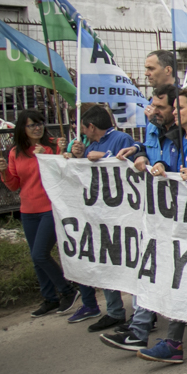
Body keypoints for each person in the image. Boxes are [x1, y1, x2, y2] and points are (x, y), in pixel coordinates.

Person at [134, 88, 187, 365]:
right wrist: (160, 164)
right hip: (181, 222)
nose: (174, 112)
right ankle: (173, 342)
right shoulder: (173, 139)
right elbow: (168, 166)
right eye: (173, 108)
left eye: (180, 107)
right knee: (180, 275)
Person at [101, 85, 181, 352]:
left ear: (175, 109)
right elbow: (149, 151)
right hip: (157, 215)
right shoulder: (153, 128)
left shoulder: (185, 135)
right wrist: (141, 153)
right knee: (151, 269)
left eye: (160, 107)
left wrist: (165, 167)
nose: (153, 111)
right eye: (152, 105)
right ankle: (139, 330)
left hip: (182, 217)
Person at [0, 110, 75, 318]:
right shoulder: (15, 152)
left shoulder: (53, 146)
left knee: (40, 254)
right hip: (28, 210)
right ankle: (50, 298)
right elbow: (14, 185)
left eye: (39, 123)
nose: (37, 128)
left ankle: (67, 290)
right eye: (31, 125)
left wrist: (48, 155)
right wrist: (4, 172)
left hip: (50, 207)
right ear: (22, 128)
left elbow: (61, 172)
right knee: (37, 258)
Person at [68, 106, 135, 332]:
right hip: (100, 215)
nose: (81, 132)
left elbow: (131, 166)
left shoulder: (121, 139)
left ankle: (143, 314)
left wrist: (105, 157)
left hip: (124, 214)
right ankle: (115, 312)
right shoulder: (91, 144)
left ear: (91, 126)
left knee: (130, 262)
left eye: (82, 127)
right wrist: (78, 157)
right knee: (107, 263)